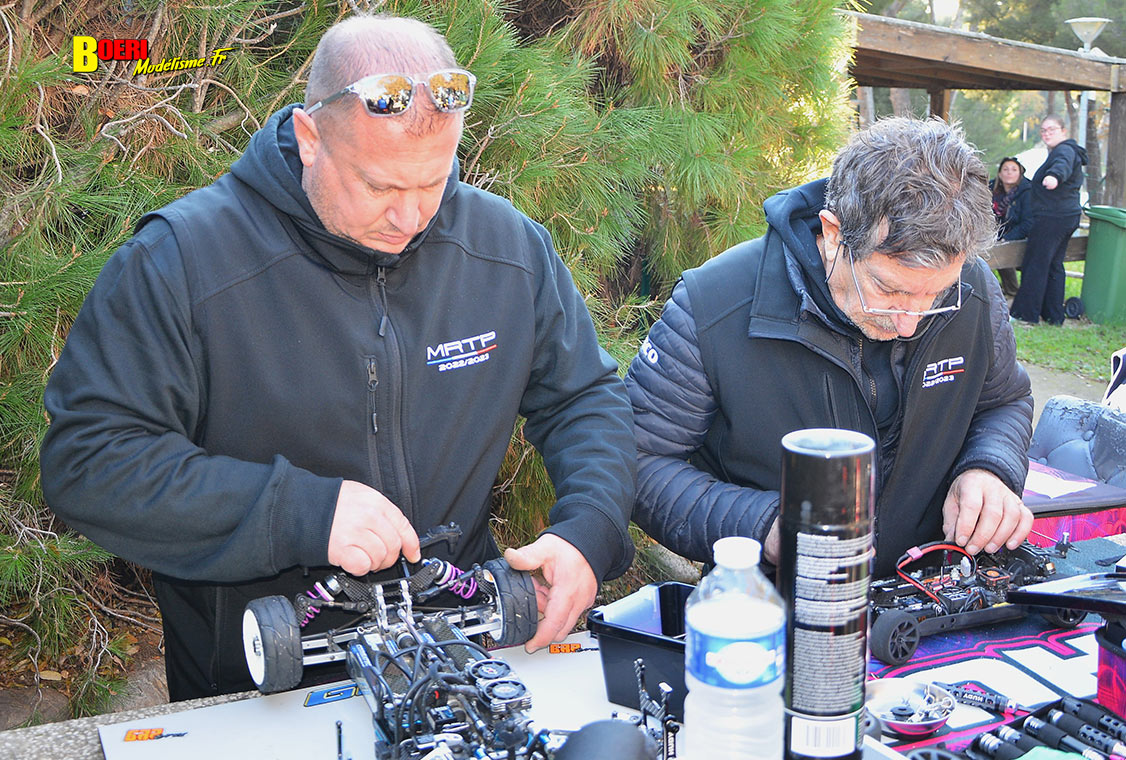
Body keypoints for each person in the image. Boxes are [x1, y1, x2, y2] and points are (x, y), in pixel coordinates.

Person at [39, 14, 636, 700]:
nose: (411, 217)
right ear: (309, 138)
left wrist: (587, 533)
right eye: (381, 188)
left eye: (433, 182)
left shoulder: (506, 247)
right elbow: (89, 460)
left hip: (462, 657)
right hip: (260, 676)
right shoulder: (181, 262)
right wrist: (300, 511)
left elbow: (585, 398)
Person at [625, 117, 1034, 580]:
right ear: (835, 233)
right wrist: (767, 525)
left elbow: (1004, 401)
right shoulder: (714, 305)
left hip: (932, 597)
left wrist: (989, 468)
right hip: (773, 608)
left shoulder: (974, 289)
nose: (908, 323)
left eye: (936, 296)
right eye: (888, 289)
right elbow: (638, 462)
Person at [1009, 115, 1088, 325]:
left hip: (1053, 217)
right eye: (1043, 130)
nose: (1046, 134)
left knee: (1036, 263)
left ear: (1063, 131)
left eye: (1051, 129)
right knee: (1053, 265)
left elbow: (1062, 165)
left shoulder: (1064, 150)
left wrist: (1054, 176)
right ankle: (1053, 315)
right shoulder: (1065, 150)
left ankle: (1025, 314)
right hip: (1064, 216)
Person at [989, 156, 1032, 296]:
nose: (1009, 172)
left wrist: (1007, 238)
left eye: (1014, 169)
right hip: (994, 235)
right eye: (1005, 169)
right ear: (1000, 173)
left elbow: (1028, 223)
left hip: (1020, 237)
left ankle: (1012, 292)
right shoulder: (991, 189)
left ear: (1020, 173)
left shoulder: (1027, 192)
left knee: (1003, 253)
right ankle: (989, 292)